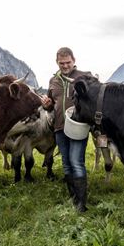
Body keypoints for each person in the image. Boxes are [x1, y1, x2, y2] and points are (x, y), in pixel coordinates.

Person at [42, 47, 92, 212]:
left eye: (68, 62)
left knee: (76, 162)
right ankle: (74, 197)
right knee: (66, 164)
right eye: (61, 63)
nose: (65, 66)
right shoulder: (53, 81)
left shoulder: (84, 77)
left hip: (78, 126)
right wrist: (47, 106)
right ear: (57, 62)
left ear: (74, 60)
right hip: (59, 127)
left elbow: (94, 100)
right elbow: (51, 105)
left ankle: (81, 203)